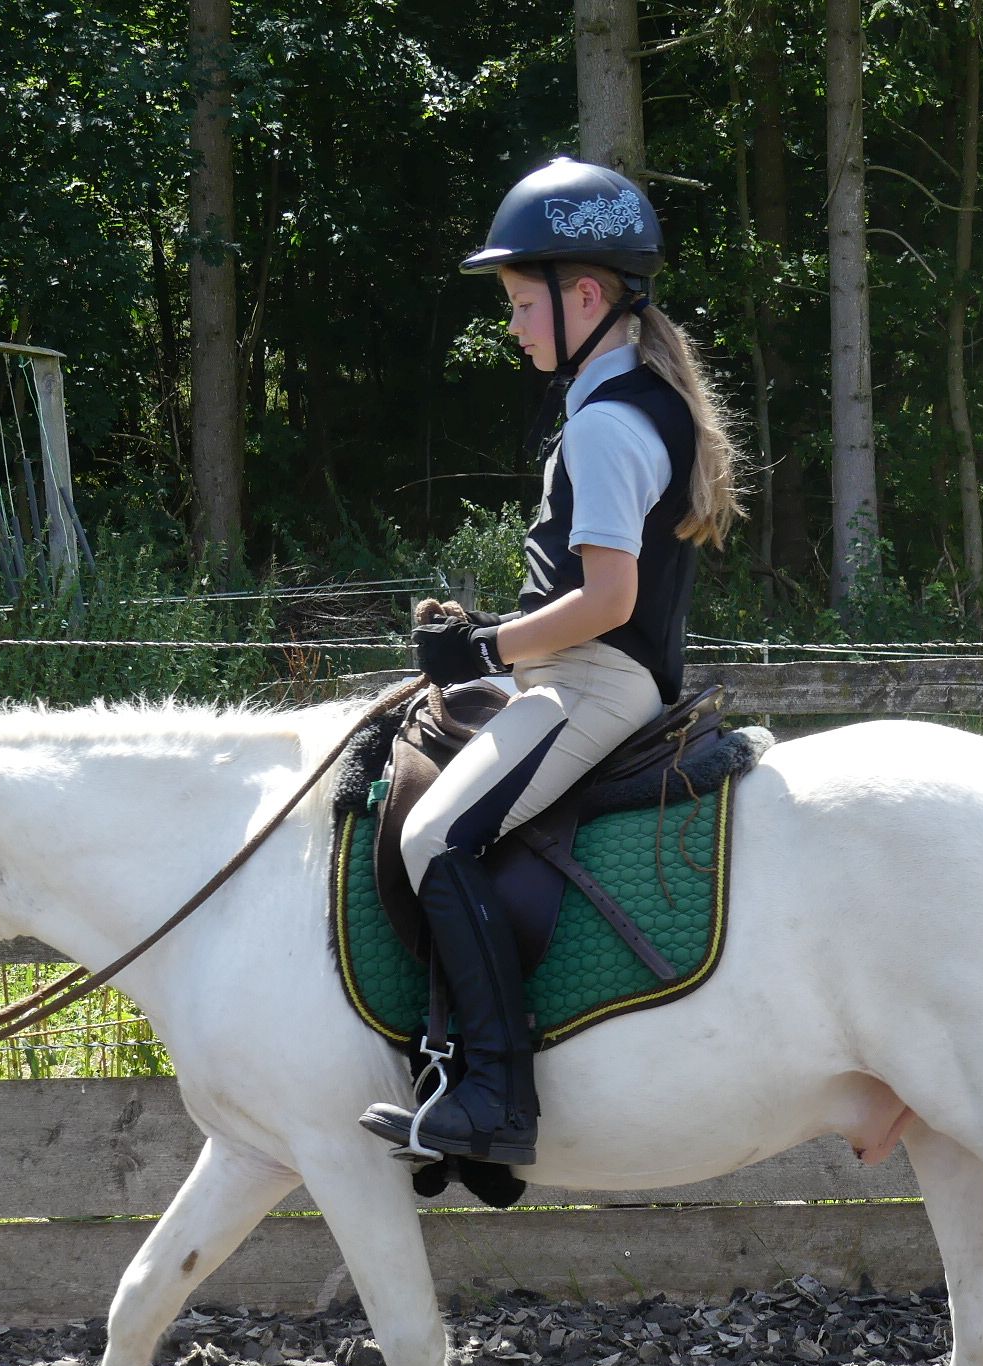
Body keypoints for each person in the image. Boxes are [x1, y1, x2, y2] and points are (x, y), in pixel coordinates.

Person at [359, 156, 742, 1166]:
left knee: (434, 838)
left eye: (524, 304)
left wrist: (484, 645)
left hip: (591, 686)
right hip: (580, 672)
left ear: (584, 297)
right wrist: (493, 639)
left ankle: (493, 1094)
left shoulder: (607, 425)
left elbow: (608, 602)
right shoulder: (631, 402)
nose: (515, 326)